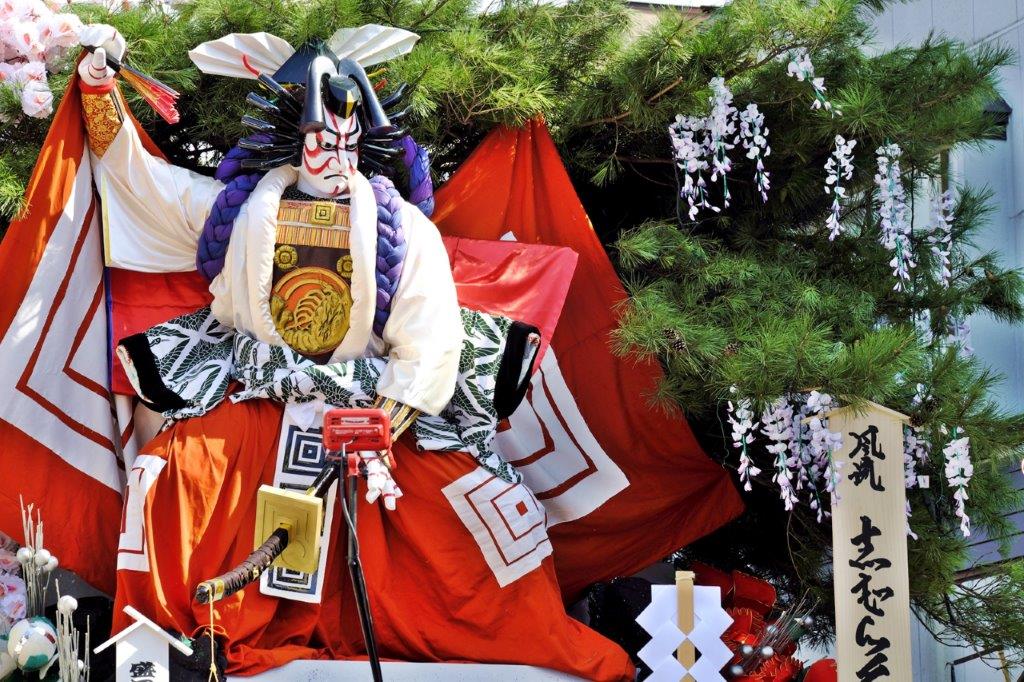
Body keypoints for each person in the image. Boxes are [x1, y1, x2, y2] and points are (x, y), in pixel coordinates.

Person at [76, 23, 634, 680]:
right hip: (260, 396)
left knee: (469, 507)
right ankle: (171, 642)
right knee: (170, 472)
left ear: (363, 141)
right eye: (319, 139)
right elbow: (142, 182)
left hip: (372, 407)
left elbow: (430, 336)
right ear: (296, 138)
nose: (333, 153)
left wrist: (383, 422)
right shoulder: (237, 209)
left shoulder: (403, 228)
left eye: (347, 140)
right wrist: (97, 85)